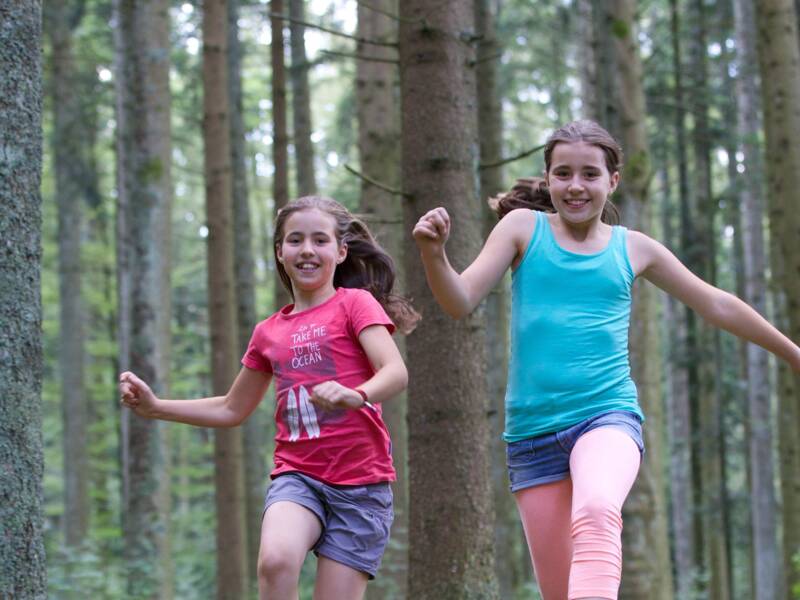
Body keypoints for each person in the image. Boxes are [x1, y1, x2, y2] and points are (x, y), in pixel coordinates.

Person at [412, 119, 800, 600]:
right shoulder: (522, 229)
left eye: (590, 174)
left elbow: (716, 303)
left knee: (597, 509)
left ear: (612, 180)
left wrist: (792, 354)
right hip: (532, 438)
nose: (576, 186)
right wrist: (434, 254)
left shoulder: (631, 248)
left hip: (606, 417)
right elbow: (459, 300)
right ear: (549, 177)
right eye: (563, 173)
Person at [120, 196, 419, 600]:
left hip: (361, 486)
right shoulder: (268, 333)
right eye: (295, 240)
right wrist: (156, 408)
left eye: (320, 240)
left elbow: (395, 371)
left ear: (340, 250)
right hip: (298, 476)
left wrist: (356, 395)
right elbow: (232, 407)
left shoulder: (355, 305)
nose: (307, 250)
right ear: (280, 252)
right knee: (276, 561)